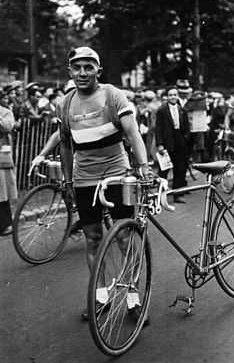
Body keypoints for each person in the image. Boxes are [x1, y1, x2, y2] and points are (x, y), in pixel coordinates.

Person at [58, 46, 151, 322]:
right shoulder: (65, 102)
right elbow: (65, 143)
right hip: (85, 177)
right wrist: (67, 180)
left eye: (89, 67)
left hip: (116, 173)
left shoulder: (112, 94)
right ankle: (101, 298)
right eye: (77, 67)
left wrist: (143, 166)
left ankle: (134, 300)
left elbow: (133, 134)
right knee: (93, 238)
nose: (83, 73)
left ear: (98, 70)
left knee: (124, 236)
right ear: (70, 71)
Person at [155, 86, 190, 203]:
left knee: (179, 169)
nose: (173, 97)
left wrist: (185, 138)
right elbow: (158, 128)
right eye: (170, 95)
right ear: (167, 97)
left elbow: (186, 126)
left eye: (175, 95)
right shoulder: (162, 110)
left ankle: (177, 194)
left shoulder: (182, 110)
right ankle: (161, 195)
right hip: (167, 141)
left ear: (177, 96)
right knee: (164, 170)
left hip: (180, 141)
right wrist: (160, 144)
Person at [0, 102, 17, 235]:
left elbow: (7, 127)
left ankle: (6, 225)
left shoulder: (5, 112)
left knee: (2, 192)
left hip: (1, 158)